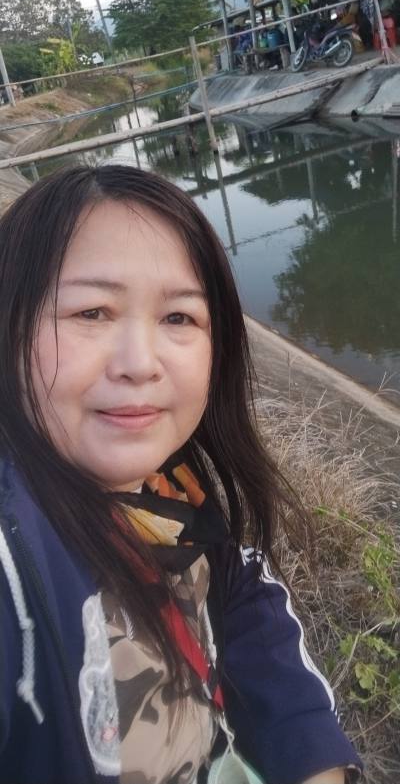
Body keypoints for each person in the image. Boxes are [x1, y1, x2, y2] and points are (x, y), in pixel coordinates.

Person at [0, 165, 361, 784]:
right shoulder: (16, 560)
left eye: (178, 318)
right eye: (91, 311)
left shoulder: (167, 489)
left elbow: (234, 589)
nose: (140, 364)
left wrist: (310, 753)